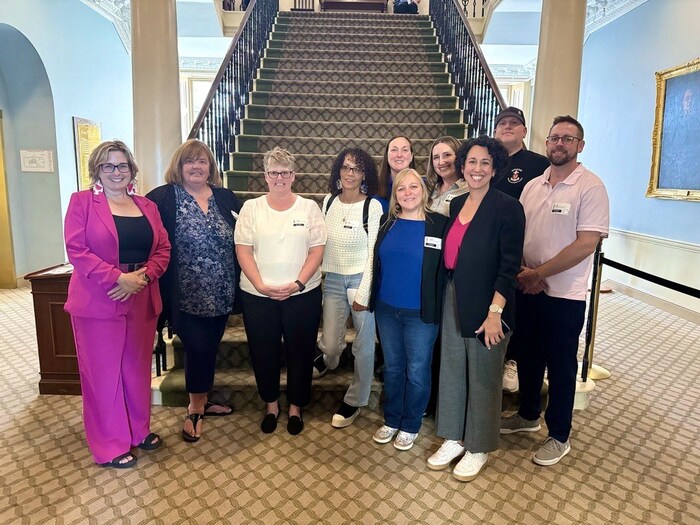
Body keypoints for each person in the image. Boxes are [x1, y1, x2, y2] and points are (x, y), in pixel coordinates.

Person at [500, 115, 609, 466]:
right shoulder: (533, 185)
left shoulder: (590, 187)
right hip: (527, 287)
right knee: (529, 356)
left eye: (568, 138)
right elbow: (520, 234)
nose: (559, 144)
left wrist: (539, 273)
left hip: (564, 295)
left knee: (561, 366)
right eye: (554, 138)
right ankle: (528, 414)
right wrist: (522, 271)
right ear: (546, 143)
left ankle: (559, 435)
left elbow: (586, 244)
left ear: (580, 145)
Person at [64, 140, 170, 468]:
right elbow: (76, 249)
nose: (116, 172)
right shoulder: (82, 202)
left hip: (140, 293)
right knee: (103, 374)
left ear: (131, 170)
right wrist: (116, 278)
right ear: (97, 170)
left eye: (122, 165)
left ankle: (138, 430)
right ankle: (110, 444)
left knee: (136, 369)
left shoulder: (146, 206)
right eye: (108, 166)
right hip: (100, 296)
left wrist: (143, 276)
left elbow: (163, 249)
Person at [426, 136, 525, 481]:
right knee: (452, 369)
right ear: (462, 166)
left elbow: (509, 266)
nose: (477, 169)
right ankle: (453, 437)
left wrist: (495, 311)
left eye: (485, 163)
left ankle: (479, 445)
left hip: (489, 302)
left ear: (495, 167)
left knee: (484, 375)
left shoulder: (508, 207)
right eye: (471, 162)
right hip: (454, 294)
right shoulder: (456, 204)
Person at [146, 139, 241, 443]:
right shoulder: (163, 197)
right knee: (197, 347)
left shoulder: (226, 198)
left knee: (208, 347)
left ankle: (202, 398)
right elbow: (142, 230)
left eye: (202, 161)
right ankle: (195, 407)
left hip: (221, 292)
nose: (196, 167)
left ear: (210, 167)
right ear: (179, 166)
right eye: (190, 162)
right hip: (184, 294)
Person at [234, 147, 326, 435]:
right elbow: (243, 251)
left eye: (285, 172)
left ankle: (296, 408)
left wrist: (298, 283)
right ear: (265, 176)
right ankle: (271, 406)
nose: (280, 177)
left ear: (294, 175)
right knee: (264, 352)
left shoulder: (309, 208)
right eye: (274, 172)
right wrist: (261, 285)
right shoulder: (252, 208)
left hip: (303, 294)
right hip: (258, 296)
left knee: (301, 352)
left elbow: (317, 251)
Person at [369, 168, 447, 451]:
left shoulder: (439, 224)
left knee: (417, 371)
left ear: (423, 191)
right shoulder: (386, 223)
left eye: (414, 187)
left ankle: (411, 423)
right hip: (387, 310)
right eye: (402, 189)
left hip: (421, 314)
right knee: (393, 368)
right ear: (395, 195)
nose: (408, 193)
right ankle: (392, 419)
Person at [313, 148, 383, 428]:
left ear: (364, 173)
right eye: (345, 167)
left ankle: (355, 399)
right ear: (338, 171)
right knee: (330, 342)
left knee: (364, 347)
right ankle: (329, 360)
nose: (350, 173)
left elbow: (372, 253)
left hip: (360, 279)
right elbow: (319, 241)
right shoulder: (328, 201)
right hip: (332, 280)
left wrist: (365, 291)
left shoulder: (373, 206)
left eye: (356, 168)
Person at [493, 106, 551, 393]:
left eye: (514, 123)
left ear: (524, 131)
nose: (507, 127)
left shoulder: (539, 164)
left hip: (523, 253)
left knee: (521, 315)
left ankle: (513, 361)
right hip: (490, 249)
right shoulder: (487, 162)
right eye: (502, 123)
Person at [426, 136, 468, 216]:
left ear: (459, 157)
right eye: (436, 157)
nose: (441, 162)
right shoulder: (429, 189)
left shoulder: (469, 190)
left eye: (447, 155)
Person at [375, 136, 417, 213]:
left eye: (405, 150)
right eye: (394, 150)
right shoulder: (374, 189)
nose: (399, 155)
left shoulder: (423, 187)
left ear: (411, 156)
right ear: (387, 156)